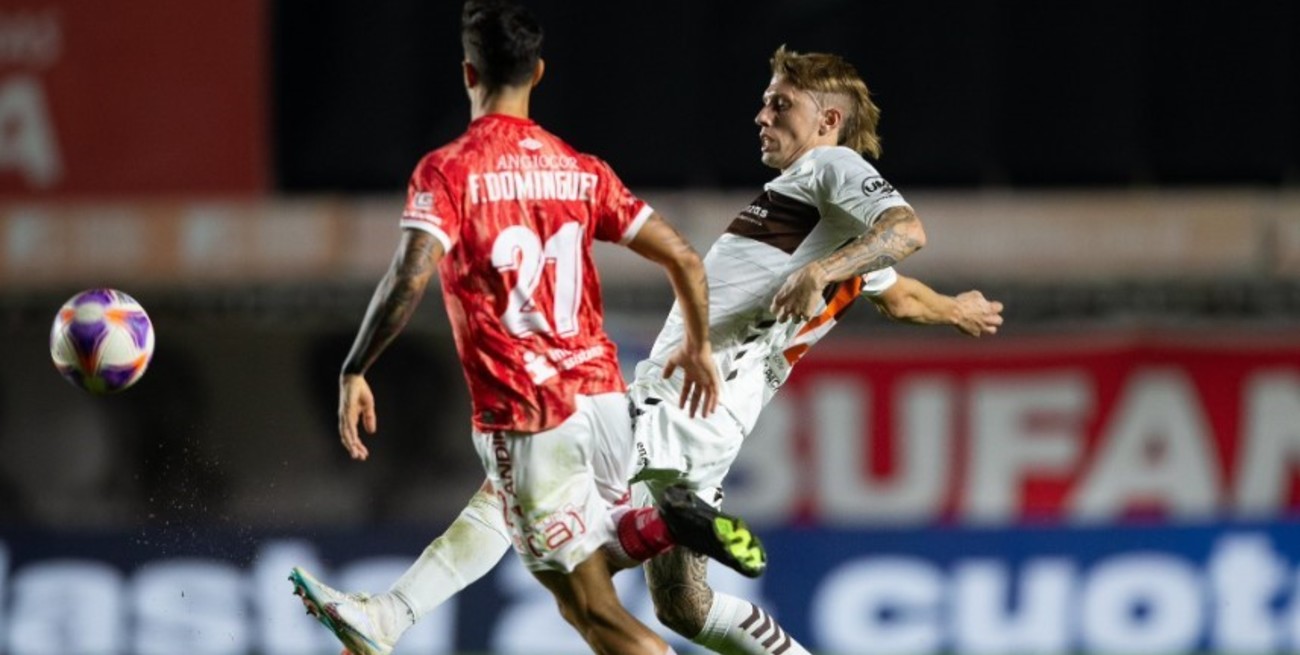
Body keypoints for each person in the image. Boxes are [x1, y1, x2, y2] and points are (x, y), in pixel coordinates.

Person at [294, 43, 1004, 655]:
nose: (762, 115)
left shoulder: (831, 172)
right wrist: (955, 308)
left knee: (524, 497)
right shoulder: (816, 212)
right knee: (683, 609)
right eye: (764, 101)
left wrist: (823, 271)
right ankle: (672, 523)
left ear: (829, 121)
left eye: (780, 104)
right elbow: (899, 289)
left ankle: (390, 613)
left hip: (687, 401)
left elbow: (905, 230)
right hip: (703, 419)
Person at [288, 3, 770, 655]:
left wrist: (355, 367)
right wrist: (698, 345)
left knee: (595, 613)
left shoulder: (449, 170)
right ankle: (392, 614)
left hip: (526, 417)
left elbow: (409, 276)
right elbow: (683, 254)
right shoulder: (580, 168)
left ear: (466, 73)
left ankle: (660, 523)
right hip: (604, 407)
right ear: (538, 73)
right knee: (512, 514)